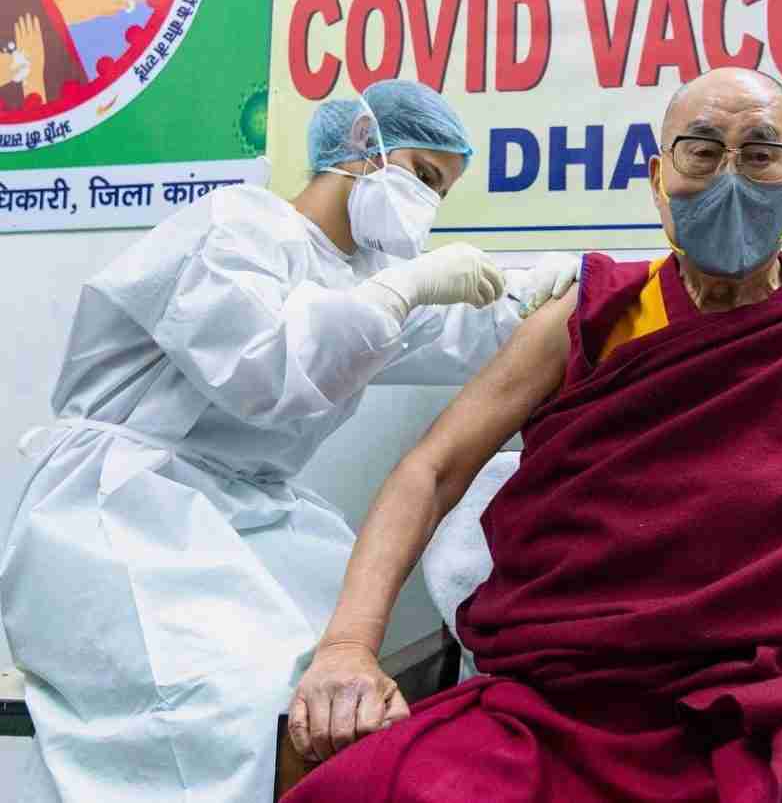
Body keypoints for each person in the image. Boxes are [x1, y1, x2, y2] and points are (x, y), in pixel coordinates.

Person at [283, 68, 782, 802]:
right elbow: (432, 470)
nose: (730, 177)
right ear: (658, 178)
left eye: (760, 154)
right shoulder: (589, 320)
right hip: (573, 704)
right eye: (702, 151)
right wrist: (349, 645)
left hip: (778, 699)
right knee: (374, 786)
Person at [0, 78, 579, 803]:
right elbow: (262, 369)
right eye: (425, 177)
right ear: (364, 149)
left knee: (344, 683)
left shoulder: (366, 278)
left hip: (245, 518)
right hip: (119, 513)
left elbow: (471, 328)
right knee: (234, 703)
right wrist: (404, 291)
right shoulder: (234, 227)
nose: (429, 204)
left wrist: (553, 290)